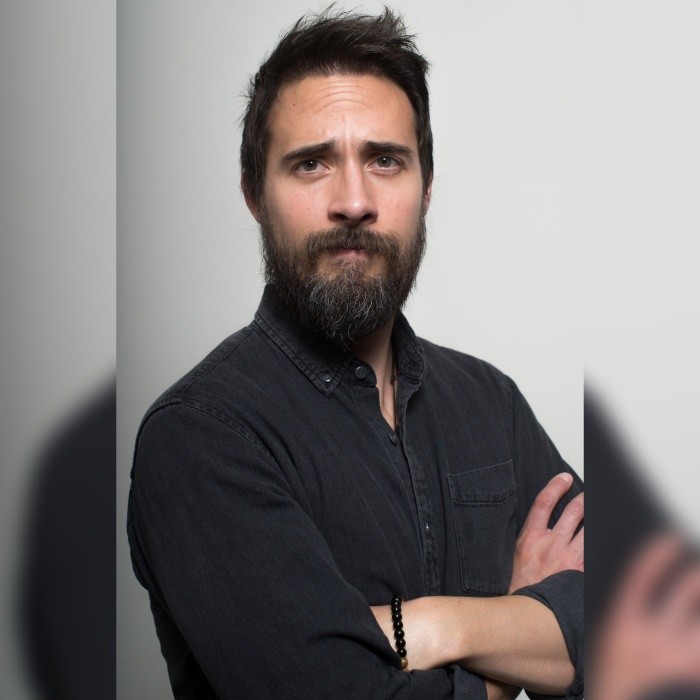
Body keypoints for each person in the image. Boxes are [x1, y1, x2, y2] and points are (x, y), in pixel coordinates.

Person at [127, 8, 583, 699]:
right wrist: (521, 633)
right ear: (254, 195)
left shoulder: (490, 401)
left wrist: (432, 626)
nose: (354, 201)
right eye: (311, 163)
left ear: (426, 187)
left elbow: (634, 627)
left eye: (385, 160)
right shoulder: (202, 435)